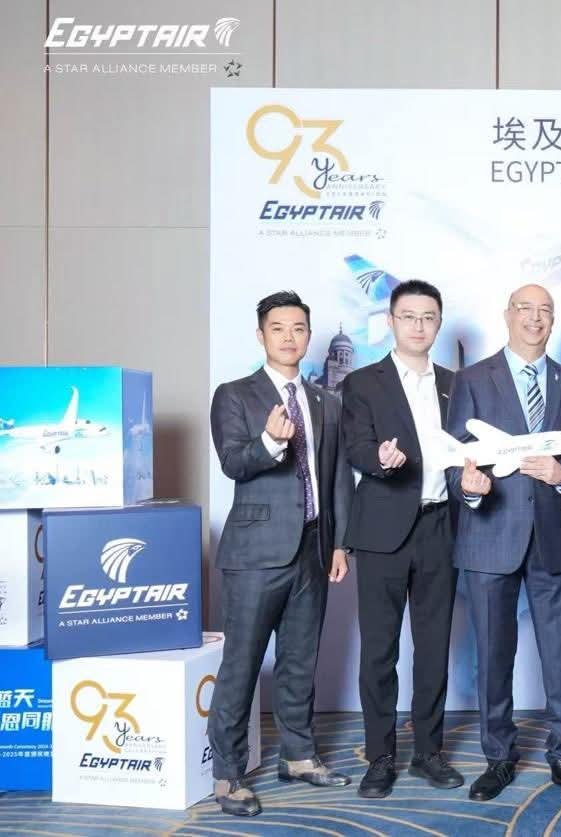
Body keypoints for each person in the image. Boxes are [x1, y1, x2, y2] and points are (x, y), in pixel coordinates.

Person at [445, 284, 561, 802]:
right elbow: (455, 458)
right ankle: (498, 756)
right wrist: (468, 487)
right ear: (507, 315)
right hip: (490, 534)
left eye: (545, 310)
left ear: (553, 320)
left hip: (553, 537)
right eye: (525, 309)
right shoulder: (471, 380)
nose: (535, 317)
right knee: (492, 654)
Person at [207, 290, 353, 817]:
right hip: (254, 556)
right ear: (260, 335)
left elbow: (337, 476)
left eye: (298, 328)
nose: (290, 337)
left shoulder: (325, 401)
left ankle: (298, 755)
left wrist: (340, 542)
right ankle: (228, 774)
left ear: (309, 336)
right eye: (278, 328)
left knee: (299, 662)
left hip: (313, 548)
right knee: (241, 665)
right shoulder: (235, 395)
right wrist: (270, 443)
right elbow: (233, 462)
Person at [341, 280, 462, 798]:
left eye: (428, 317)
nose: (418, 325)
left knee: (433, 648)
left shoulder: (457, 384)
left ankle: (428, 752)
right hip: (382, 531)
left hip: (441, 527)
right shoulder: (363, 382)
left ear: (438, 324)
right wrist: (379, 459)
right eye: (408, 316)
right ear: (390, 321)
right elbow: (355, 446)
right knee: (379, 650)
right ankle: (380, 756)